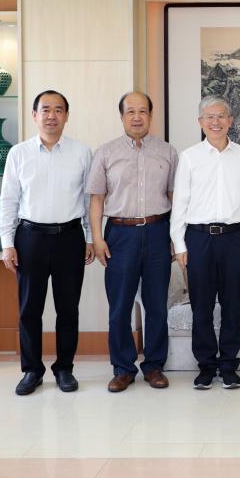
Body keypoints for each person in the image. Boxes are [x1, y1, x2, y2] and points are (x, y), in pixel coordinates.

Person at [0, 90, 94, 395]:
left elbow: (89, 200)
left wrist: (90, 238)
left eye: (58, 110)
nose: (51, 116)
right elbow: (9, 200)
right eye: (45, 109)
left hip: (70, 237)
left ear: (66, 115)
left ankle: (64, 368)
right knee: (29, 309)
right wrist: (7, 243)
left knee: (68, 309)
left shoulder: (82, 153)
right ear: (34, 115)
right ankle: (32, 370)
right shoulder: (19, 153)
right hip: (30, 238)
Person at [88, 92, 178, 392]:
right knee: (120, 306)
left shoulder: (167, 152)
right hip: (120, 234)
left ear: (151, 115)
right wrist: (97, 239)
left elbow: (175, 198)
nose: (137, 117)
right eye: (130, 112)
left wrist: (175, 238)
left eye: (143, 111)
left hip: (157, 231)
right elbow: (97, 199)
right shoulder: (105, 153)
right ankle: (123, 368)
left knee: (157, 305)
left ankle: (154, 366)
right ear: (122, 116)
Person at [170, 96, 240, 390]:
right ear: (200, 122)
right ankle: (206, 365)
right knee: (202, 305)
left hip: (235, 238)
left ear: (230, 120)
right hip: (198, 239)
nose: (215, 122)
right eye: (209, 116)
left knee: (232, 304)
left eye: (221, 116)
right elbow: (180, 204)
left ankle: (229, 365)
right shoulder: (190, 157)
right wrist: (180, 246)